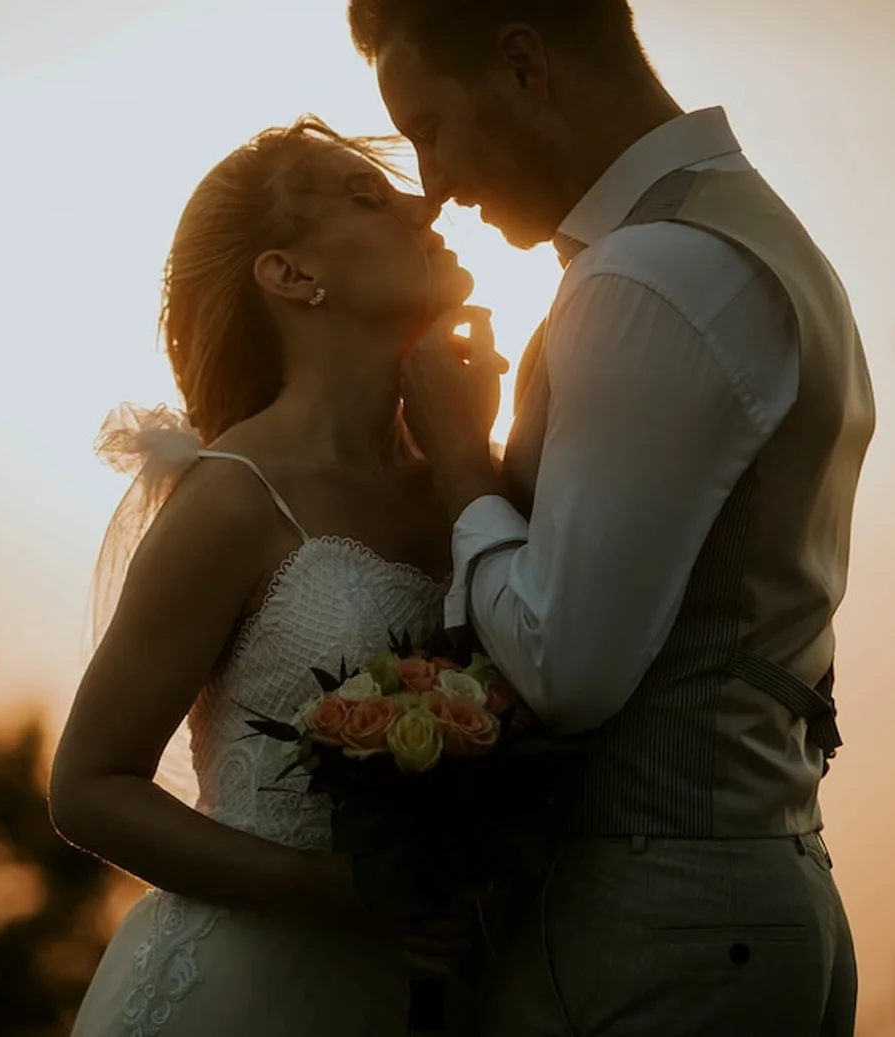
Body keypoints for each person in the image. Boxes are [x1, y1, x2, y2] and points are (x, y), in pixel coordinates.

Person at [352, 0, 873, 1033]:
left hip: (661, 921)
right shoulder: (750, 237)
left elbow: (566, 664)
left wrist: (464, 468)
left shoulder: (649, 274)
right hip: (753, 891)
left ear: (521, 64)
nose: (435, 186)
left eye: (428, 128)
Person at [49, 116, 486, 1036]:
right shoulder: (233, 498)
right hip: (231, 993)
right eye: (365, 195)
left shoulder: (474, 483)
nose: (419, 202)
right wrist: (329, 891)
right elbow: (89, 784)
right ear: (289, 275)